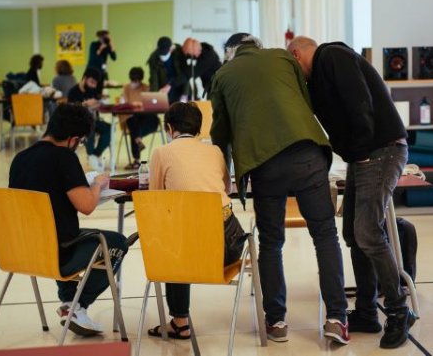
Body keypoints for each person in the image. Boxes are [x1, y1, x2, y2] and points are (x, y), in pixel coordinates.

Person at [210, 33, 349, 344]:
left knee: (271, 243)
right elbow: (306, 101)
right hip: (307, 154)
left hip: (264, 164)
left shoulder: (223, 75)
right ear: (257, 46)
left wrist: (224, 176)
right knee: (325, 234)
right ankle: (337, 318)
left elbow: (221, 133)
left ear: (231, 53)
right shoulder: (283, 57)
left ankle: (276, 322)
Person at [287, 36, 415, 349]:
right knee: (353, 234)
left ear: (296, 53)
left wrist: (359, 149)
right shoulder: (318, 76)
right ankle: (367, 311)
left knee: (368, 232)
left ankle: (399, 310)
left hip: (379, 149)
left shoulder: (331, 56)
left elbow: (360, 100)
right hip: (366, 152)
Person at [8, 103, 129, 336]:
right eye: (81, 142)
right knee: (116, 243)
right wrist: (97, 185)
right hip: (57, 253)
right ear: (74, 139)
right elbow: (86, 206)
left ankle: (68, 303)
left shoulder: (20, 159)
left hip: (23, 249)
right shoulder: (64, 157)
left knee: (61, 233)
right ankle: (76, 305)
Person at [146, 101, 246, 340]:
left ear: (169, 129)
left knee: (173, 242)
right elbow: (227, 189)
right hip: (227, 246)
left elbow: (155, 198)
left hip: (188, 255)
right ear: (200, 129)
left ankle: (180, 322)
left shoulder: (162, 153)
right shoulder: (215, 151)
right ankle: (179, 322)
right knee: (184, 236)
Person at [67, 68, 111, 172]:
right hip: (78, 123)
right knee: (88, 127)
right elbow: (69, 111)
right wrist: (84, 104)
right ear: (84, 79)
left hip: (93, 120)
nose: (93, 86)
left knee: (109, 128)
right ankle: (91, 154)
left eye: (95, 83)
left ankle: (94, 155)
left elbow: (96, 104)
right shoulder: (73, 92)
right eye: (92, 82)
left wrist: (98, 104)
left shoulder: (92, 90)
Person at [120, 67, 159, 169]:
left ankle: (136, 159)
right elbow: (122, 104)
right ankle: (138, 140)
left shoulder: (146, 87)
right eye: (133, 81)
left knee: (136, 129)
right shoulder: (126, 88)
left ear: (140, 80)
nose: (135, 83)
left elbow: (152, 104)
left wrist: (142, 105)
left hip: (146, 119)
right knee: (132, 121)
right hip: (132, 117)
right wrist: (132, 104)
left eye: (137, 81)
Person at [147, 36, 189, 104]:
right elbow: (154, 80)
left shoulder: (180, 54)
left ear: (171, 49)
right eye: (161, 53)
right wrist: (155, 97)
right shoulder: (154, 59)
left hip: (180, 87)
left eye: (165, 53)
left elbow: (186, 75)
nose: (163, 56)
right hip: (164, 90)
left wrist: (185, 94)